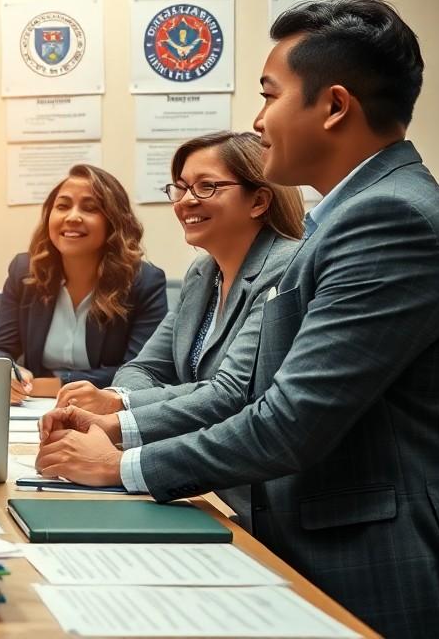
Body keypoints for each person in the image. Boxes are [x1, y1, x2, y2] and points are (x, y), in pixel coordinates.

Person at [36, 0, 439, 637]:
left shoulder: (386, 218)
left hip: (364, 559)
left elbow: (288, 421)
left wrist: (121, 464)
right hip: (297, 533)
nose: (258, 120)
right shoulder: (350, 216)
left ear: (334, 106)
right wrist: (117, 425)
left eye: (269, 95)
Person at [53, 132, 304, 529]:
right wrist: (113, 398)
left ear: (258, 201)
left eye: (206, 187)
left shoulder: (287, 268)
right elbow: (146, 367)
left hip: (269, 502)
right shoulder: (203, 273)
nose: (186, 200)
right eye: (182, 187)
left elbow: (231, 392)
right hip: (212, 492)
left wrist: (115, 421)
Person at [0, 164, 168, 401]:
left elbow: (143, 371)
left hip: (104, 407)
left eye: (90, 208)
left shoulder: (144, 282)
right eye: (62, 206)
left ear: (113, 222)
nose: (72, 217)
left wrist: (55, 384)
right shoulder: (25, 272)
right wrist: (6, 373)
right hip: (31, 407)